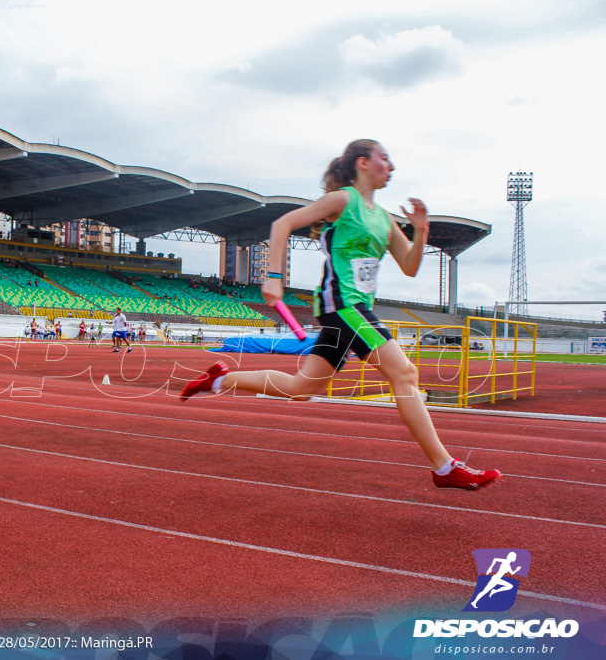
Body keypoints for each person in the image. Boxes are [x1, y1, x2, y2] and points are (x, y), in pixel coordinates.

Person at [179, 139, 501, 491]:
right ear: (363, 163)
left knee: (302, 388)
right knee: (404, 372)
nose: (391, 166)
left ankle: (219, 380)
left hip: (354, 307)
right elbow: (283, 223)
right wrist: (273, 277)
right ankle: (444, 467)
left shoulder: (385, 219)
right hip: (343, 304)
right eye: (384, 159)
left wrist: (421, 232)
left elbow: (409, 267)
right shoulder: (344, 200)